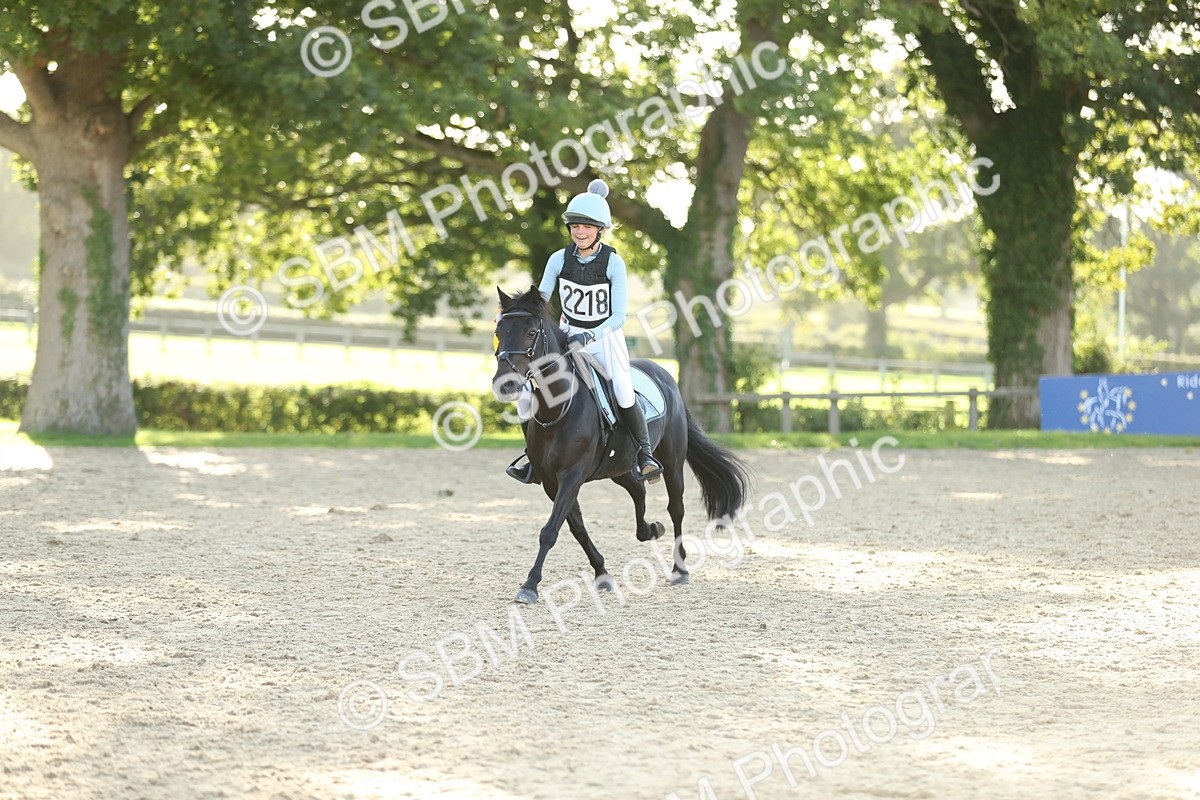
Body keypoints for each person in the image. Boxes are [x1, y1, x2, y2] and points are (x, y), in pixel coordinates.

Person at [507, 179, 664, 485]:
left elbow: (619, 315)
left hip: (604, 338)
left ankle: (645, 454)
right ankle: (532, 457)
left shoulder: (613, 264)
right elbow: (539, 301)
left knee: (621, 388)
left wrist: (590, 336)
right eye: (575, 226)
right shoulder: (558, 259)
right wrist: (514, 315)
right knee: (526, 395)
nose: (580, 232)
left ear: (600, 230)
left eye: (587, 227)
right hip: (566, 337)